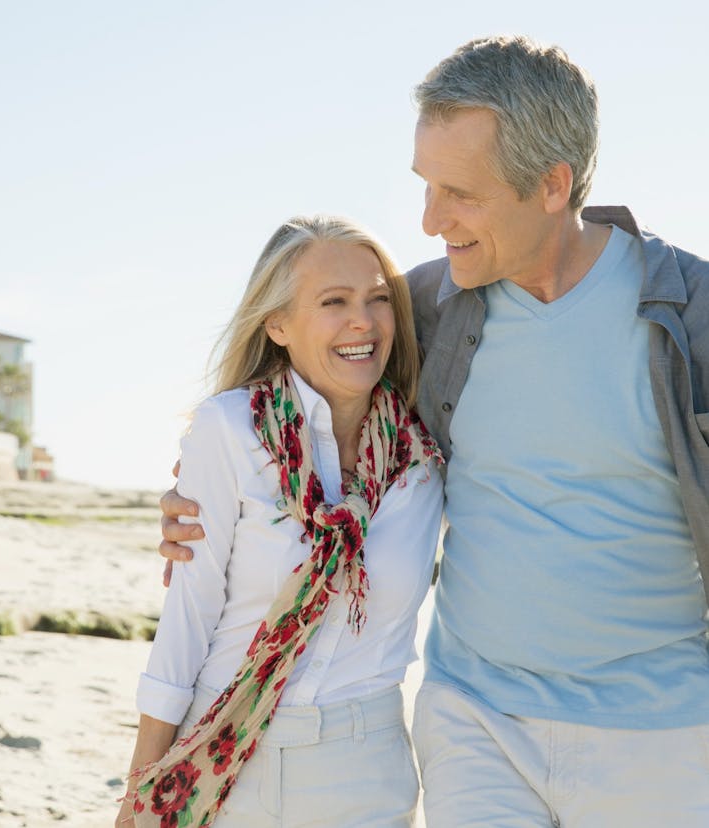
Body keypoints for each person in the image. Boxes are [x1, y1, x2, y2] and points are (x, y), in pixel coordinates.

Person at [159, 35, 709, 827]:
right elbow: (285, 402)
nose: (428, 221)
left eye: (461, 194)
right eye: (425, 185)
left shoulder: (690, 312)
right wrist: (186, 492)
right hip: (475, 722)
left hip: (663, 733)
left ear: (553, 185)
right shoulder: (421, 312)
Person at [116, 215, 444, 828]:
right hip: (222, 751)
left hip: (365, 768)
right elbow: (188, 622)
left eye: (379, 300)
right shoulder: (229, 430)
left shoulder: (424, 455)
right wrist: (141, 789)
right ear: (278, 324)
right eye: (333, 302)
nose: (363, 322)